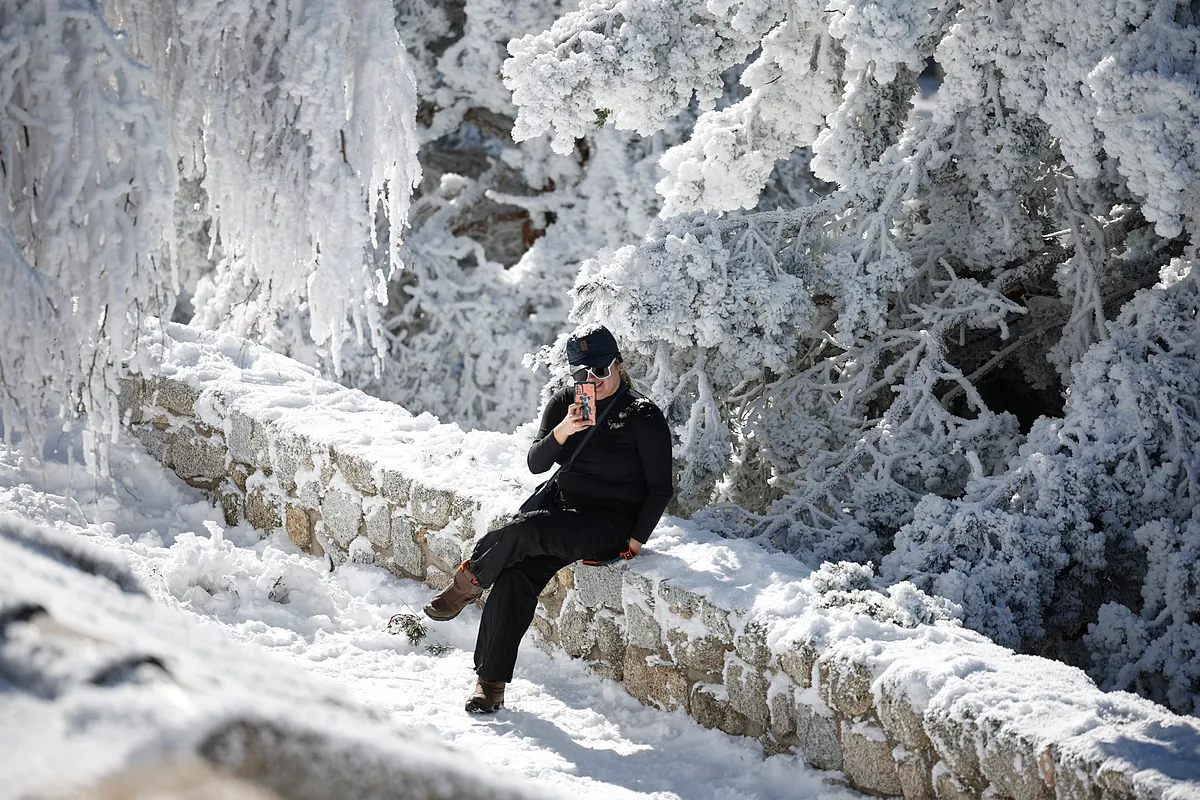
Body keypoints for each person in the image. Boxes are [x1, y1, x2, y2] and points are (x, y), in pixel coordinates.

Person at [423, 324, 674, 714]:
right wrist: (563, 430)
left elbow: (660, 487)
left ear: (619, 365)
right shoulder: (564, 405)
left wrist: (635, 541)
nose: (592, 380)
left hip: (609, 523)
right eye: (581, 374)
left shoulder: (643, 415)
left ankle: (467, 582)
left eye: (601, 370)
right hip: (562, 512)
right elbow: (536, 464)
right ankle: (489, 685)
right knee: (513, 575)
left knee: (525, 531)